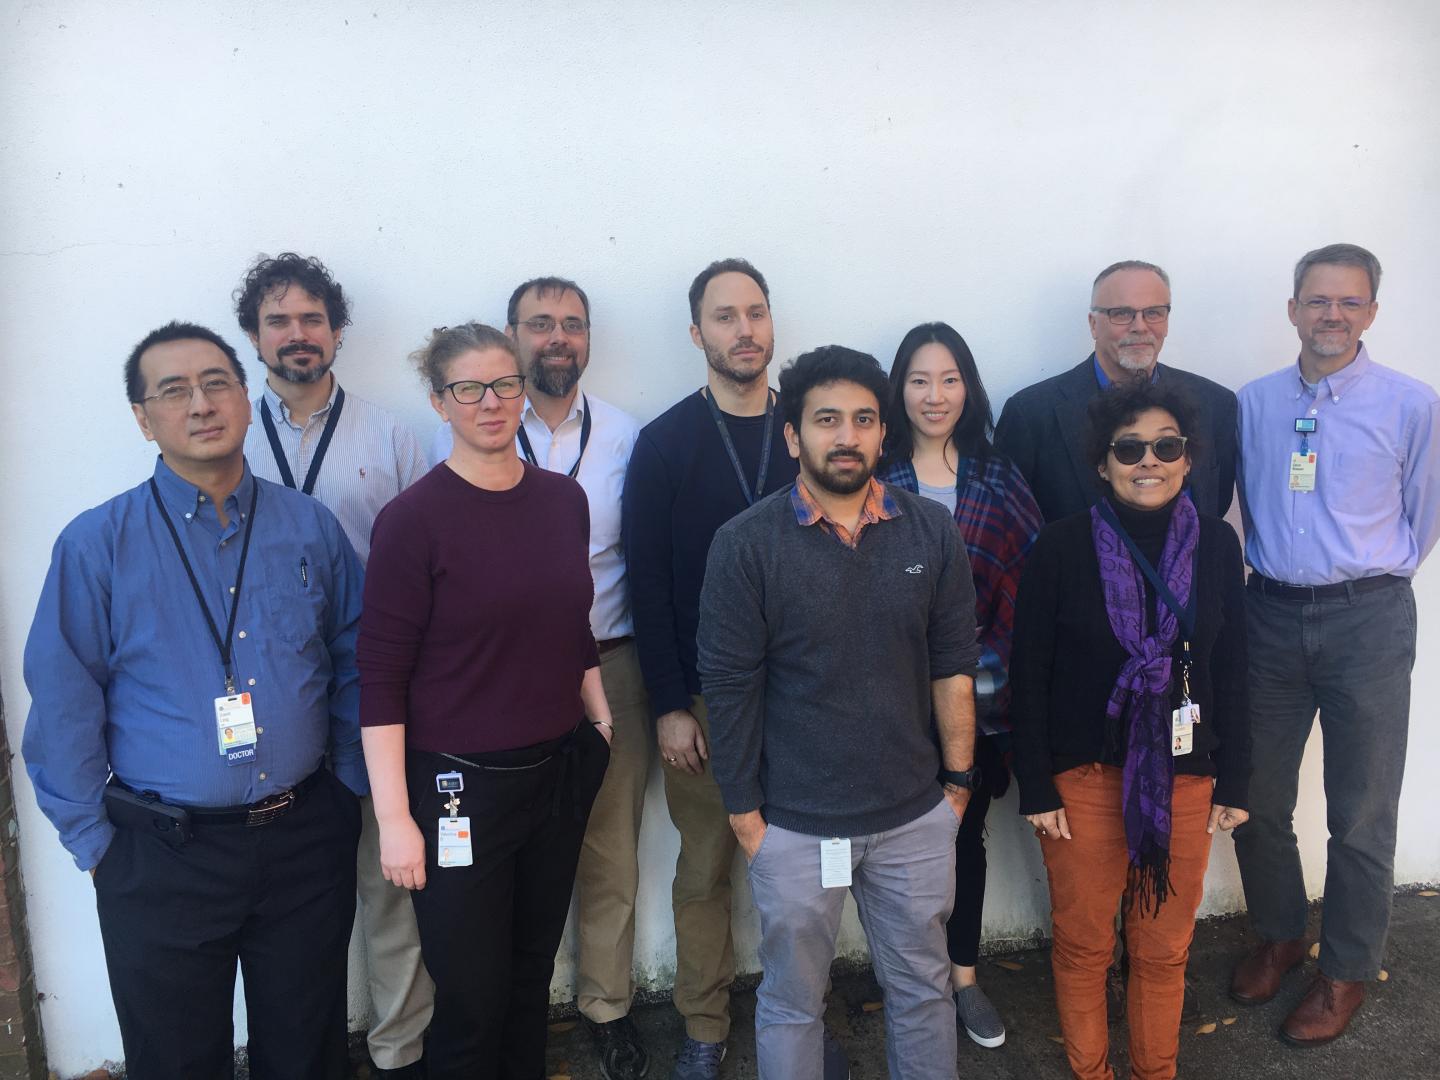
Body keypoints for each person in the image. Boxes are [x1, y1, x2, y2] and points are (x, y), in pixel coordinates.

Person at [23, 321, 367, 1079]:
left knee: (307, 1050)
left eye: (217, 383)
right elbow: (63, 700)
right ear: (144, 420)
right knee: (176, 1060)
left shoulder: (308, 527)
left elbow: (353, 658)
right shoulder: (95, 545)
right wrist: (97, 845)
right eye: (173, 391)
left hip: (304, 838)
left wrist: (346, 789)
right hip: (160, 855)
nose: (201, 404)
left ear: (245, 399)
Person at [700, 344, 980, 1080]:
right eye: (827, 420)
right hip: (793, 825)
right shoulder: (745, 546)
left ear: (883, 433)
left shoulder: (930, 532)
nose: (847, 436)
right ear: (793, 436)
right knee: (794, 1002)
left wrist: (956, 788)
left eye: (863, 420)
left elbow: (953, 666)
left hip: (914, 816)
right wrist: (746, 819)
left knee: (923, 990)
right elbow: (729, 687)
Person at [357, 322, 613, 1080]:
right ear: (441, 403)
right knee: (472, 994)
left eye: (505, 384)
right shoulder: (411, 522)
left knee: (531, 975)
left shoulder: (563, 501)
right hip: (456, 792)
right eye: (469, 389)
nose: (491, 402)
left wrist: (600, 719)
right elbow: (380, 676)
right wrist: (396, 819)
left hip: (557, 772)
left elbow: (573, 623)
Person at [432, 276, 651, 1079]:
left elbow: (641, 557)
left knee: (607, 851)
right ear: (512, 337)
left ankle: (607, 1006)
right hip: (494, 686)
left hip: (608, 667)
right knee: (497, 869)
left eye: (573, 324)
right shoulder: (473, 427)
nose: (558, 337)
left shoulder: (628, 435)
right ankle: (495, 1017)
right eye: (540, 324)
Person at [1010, 380, 1251, 1080]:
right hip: (1081, 780)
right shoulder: (1058, 548)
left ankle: (1156, 1073)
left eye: (1166, 446)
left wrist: (1236, 777)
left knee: (1163, 949)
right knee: (1086, 948)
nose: (1149, 460)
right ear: (1103, 462)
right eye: (1130, 447)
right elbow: (1029, 676)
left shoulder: (1214, 544)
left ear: (1187, 460)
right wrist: (1036, 788)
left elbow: (1232, 666)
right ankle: (1093, 1073)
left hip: (1184, 776)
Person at [1230, 244, 1439, 1046]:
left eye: (1350, 303)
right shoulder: (1253, 403)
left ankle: (1345, 969)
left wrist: (1362, 583)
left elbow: (1422, 515)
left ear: (1372, 314)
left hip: (1369, 621)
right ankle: (1282, 935)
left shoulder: (1412, 404)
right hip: (1270, 615)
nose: (1332, 315)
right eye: (1318, 301)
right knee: (1253, 796)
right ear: (1292, 310)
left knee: (1360, 813)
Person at [235, 252, 431, 1079]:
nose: (297, 334)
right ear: (254, 336)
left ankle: (399, 1049)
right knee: (297, 911)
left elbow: (431, 559)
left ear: (338, 332)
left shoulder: (389, 434)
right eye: (278, 320)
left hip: (377, 689)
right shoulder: (223, 431)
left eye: (312, 318)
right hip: (270, 697)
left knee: (391, 886)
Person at [622, 258, 799, 1078]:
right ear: (698, 334)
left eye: (756, 312)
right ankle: (703, 1024)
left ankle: (801, 1021)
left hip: (806, 698)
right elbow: (646, 582)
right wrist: (668, 703)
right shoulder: (664, 443)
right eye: (724, 317)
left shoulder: (812, 424)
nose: (744, 330)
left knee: (801, 872)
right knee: (705, 871)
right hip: (704, 695)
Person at [876, 322, 1043, 1049]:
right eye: (919, 379)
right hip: (886, 704)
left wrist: (980, 675)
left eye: (948, 379)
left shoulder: (997, 477)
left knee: (961, 840)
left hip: (981, 703)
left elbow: (1030, 590)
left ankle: (964, 978)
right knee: (894, 855)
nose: (934, 394)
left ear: (968, 388)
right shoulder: (875, 477)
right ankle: (910, 986)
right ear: (898, 389)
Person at [995, 260, 1237, 523]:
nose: (1140, 326)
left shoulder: (1215, 404)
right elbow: (1013, 529)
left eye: (1154, 312)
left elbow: (1215, 506)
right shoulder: (1031, 415)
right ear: (1093, 324)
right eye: (1122, 313)